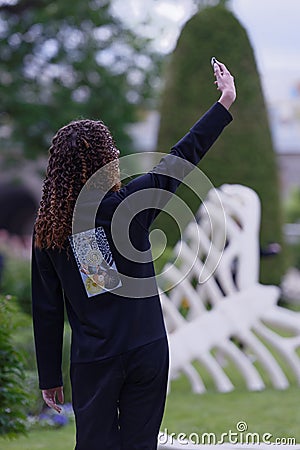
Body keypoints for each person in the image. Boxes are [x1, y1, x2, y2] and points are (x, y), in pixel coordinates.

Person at [31, 59, 236, 450]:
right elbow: (180, 159)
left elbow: (47, 309)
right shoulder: (130, 205)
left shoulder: (49, 230)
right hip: (146, 348)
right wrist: (224, 102)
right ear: (105, 161)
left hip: (94, 360)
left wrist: (49, 377)